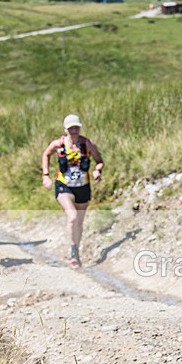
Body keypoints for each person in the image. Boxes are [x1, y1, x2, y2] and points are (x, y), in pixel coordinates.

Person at [41, 114, 104, 269]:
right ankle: (73, 252)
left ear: (80, 127)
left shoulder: (87, 144)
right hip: (64, 185)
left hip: (83, 186)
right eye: (70, 128)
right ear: (65, 129)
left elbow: (99, 161)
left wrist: (97, 171)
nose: (74, 131)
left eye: (76, 127)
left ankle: (76, 248)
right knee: (73, 216)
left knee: (79, 222)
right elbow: (46, 154)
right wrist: (46, 176)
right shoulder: (58, 144)